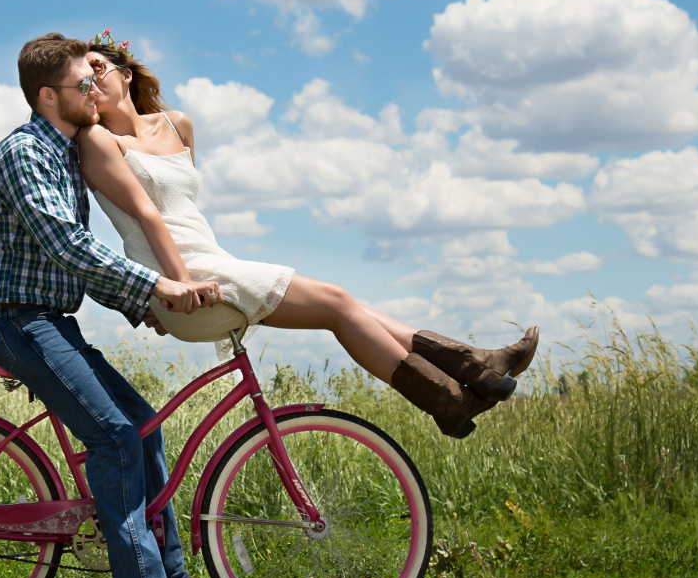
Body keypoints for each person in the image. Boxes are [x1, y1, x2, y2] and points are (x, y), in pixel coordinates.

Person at [76, 29, 540, 438]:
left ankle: (473, 373)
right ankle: (454, 392)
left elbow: (185, 212)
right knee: (338, 304)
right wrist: (174, 286)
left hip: (209, 262)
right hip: (182, 278)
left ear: (126, 73)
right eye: (81, 80)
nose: (91, 82)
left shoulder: (178, 125)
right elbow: (149, 219)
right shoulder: (98, 141)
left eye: (97, 69)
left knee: (346, 305)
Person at [0, 33, 225, 578]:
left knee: (143, 426)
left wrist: (144, 304)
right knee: (115, 438)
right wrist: (159, 286)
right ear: (50, 95)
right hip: (12, 320)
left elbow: (73, 264)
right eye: (85, 84)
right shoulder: (27, 153)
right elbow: (67, 246)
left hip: (49, 319)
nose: (95, 92)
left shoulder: (65, 154)